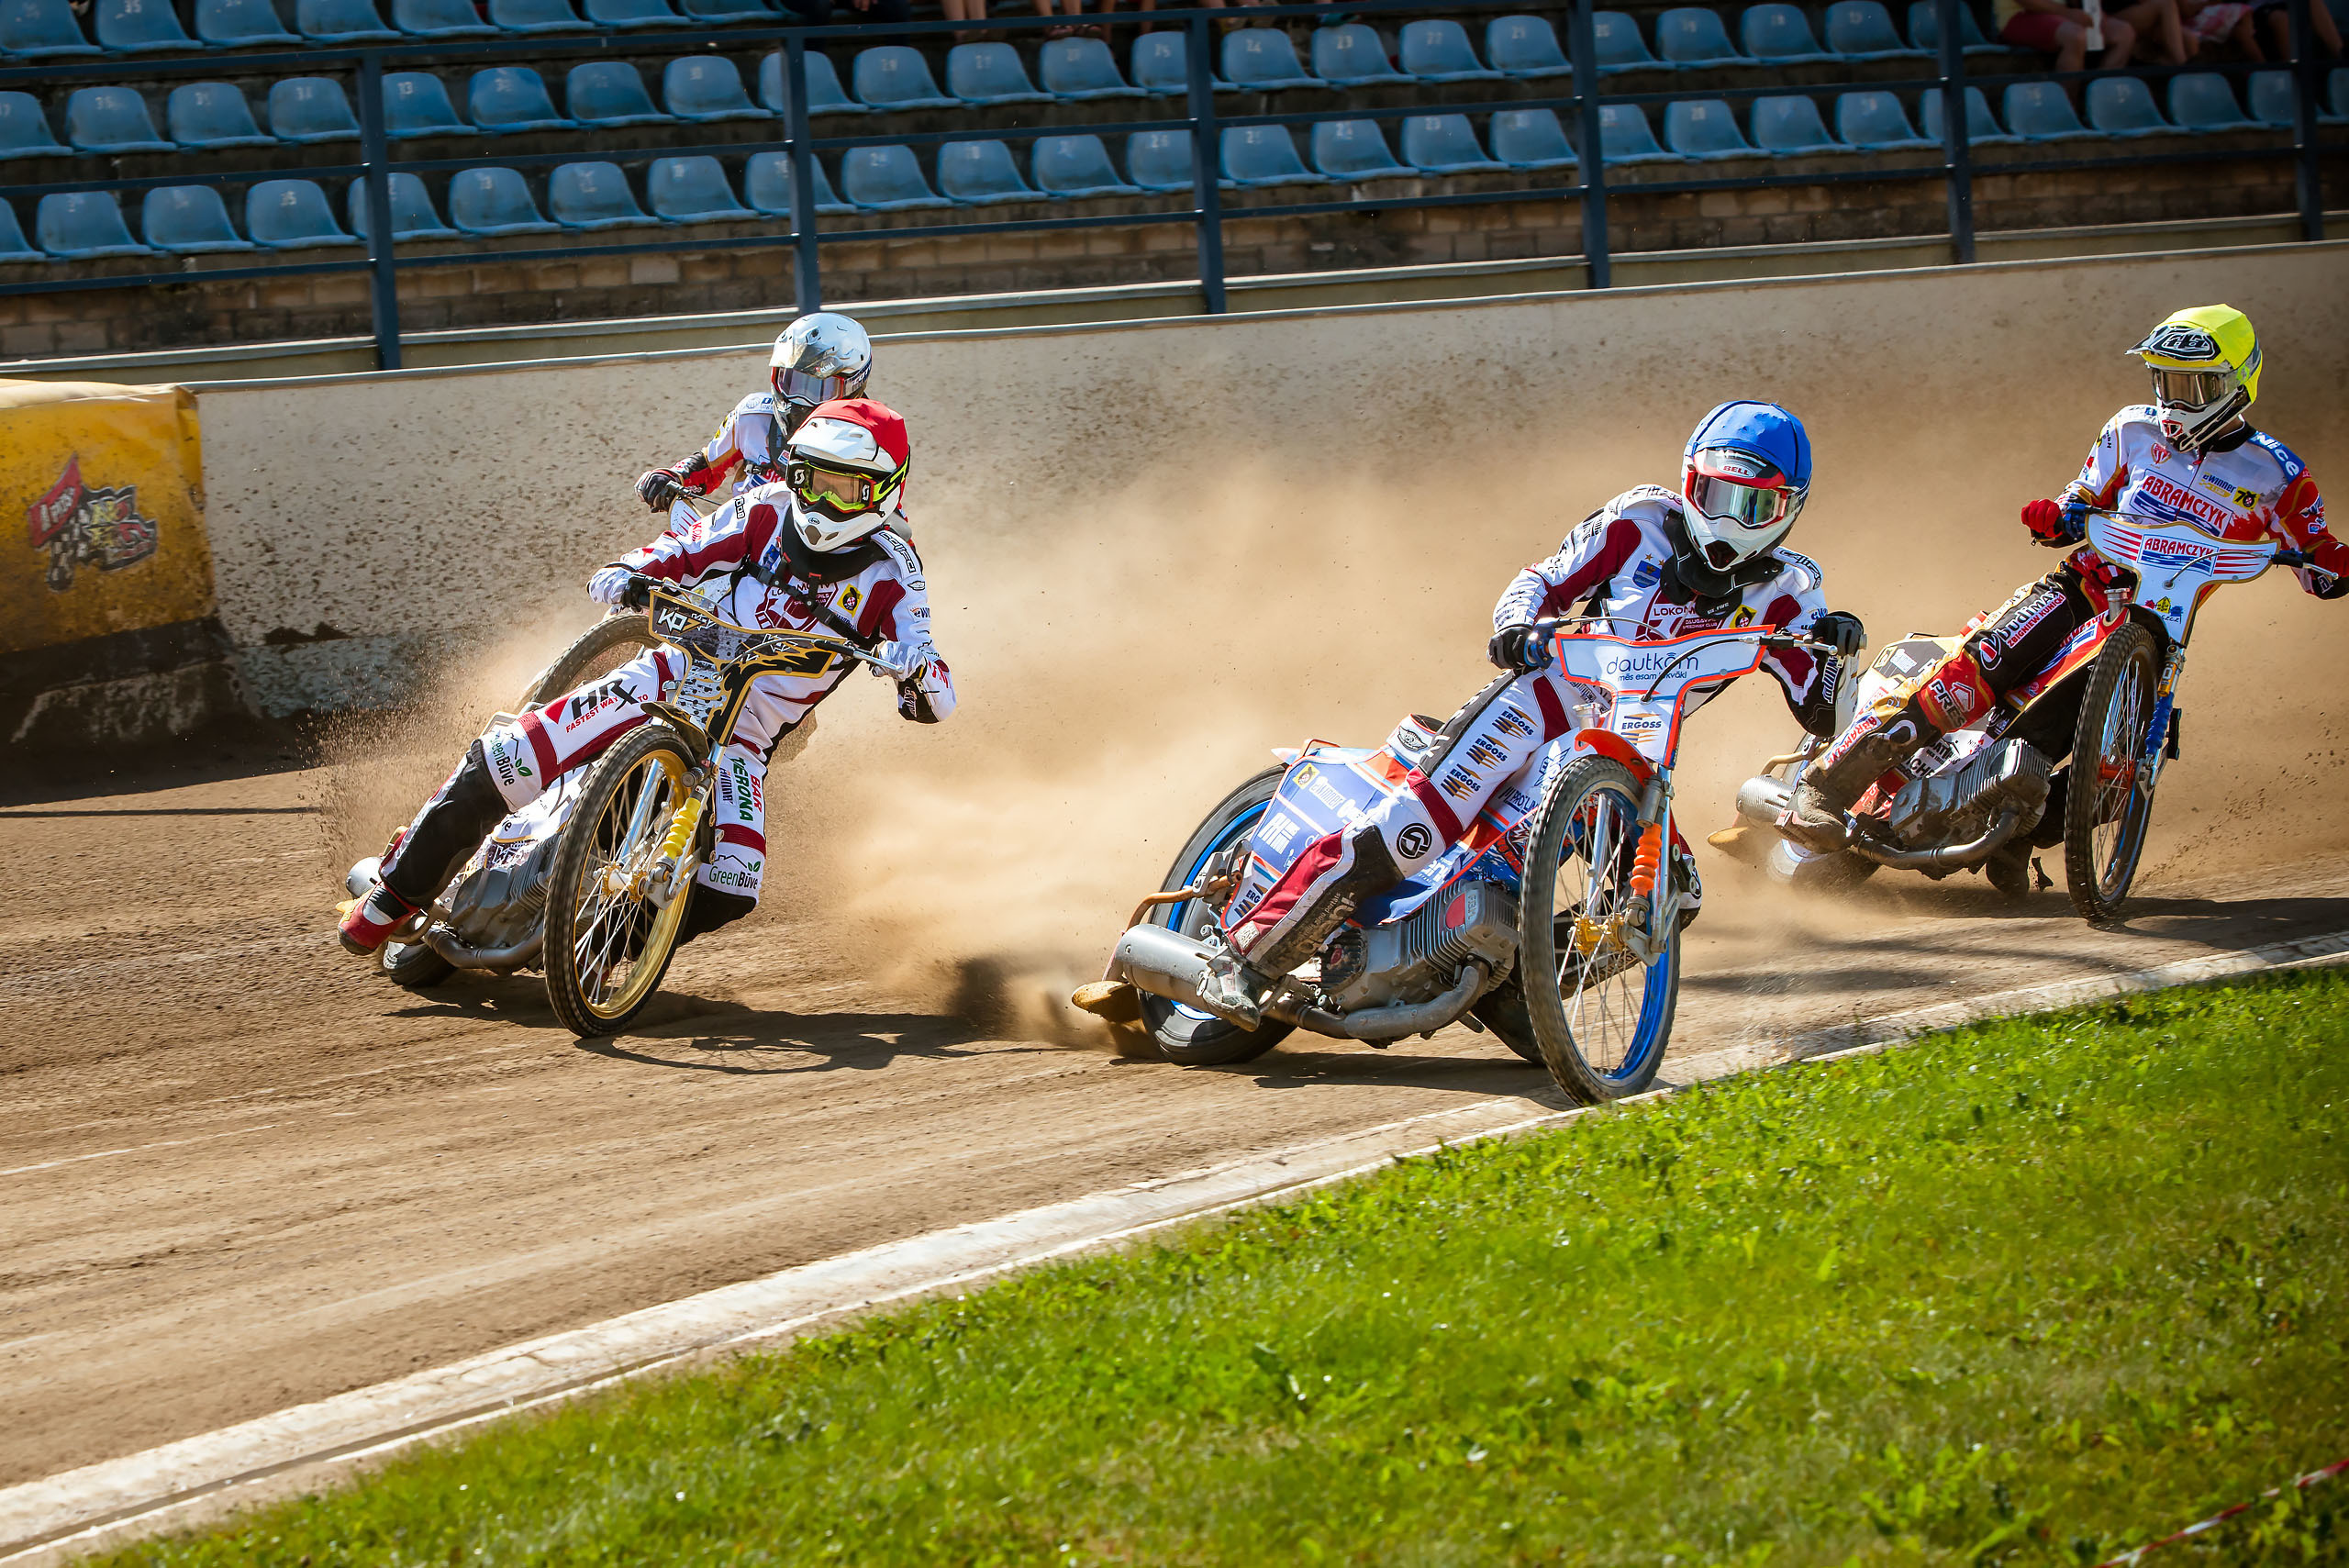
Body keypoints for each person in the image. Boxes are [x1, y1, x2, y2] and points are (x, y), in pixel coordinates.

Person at [1196, 401, 1867, 1027]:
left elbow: (1823, 714)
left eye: (1755, 506)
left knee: (1678, 890)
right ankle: (1243, 956)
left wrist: (1840, 651)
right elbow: (1540, 579)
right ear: (1690, 481)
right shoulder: (1639, 520)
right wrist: (1518, 626)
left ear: (1788, 512)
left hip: (1633, 750)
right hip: (1541, 702)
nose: (1729, 522)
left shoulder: (1793, 590)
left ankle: (1525, 989)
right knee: (1413, 834)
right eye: (1718, 496)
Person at [339, 398, 955, 956]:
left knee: (733, 881)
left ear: (884, 491)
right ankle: (394, 893)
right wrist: (626, 570)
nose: (823, 499)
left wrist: (918, 673)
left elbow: (937, 692)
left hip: (744, 742)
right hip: (671, 675)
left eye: (845, 488)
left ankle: (601, 946)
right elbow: (684, 548)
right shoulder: (765, 508)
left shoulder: (897, 575)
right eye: (813, 479)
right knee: (507, 756)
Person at [1780, 304, 2343, 853]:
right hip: (2077, 590)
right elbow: (2081, 499)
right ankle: (1826, 787)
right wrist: (2056, 515)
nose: (2173, 400)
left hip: (2157, 630)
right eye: (2164, 381)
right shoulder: (2131, 428)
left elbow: (2319, 560)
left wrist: (2335, 563)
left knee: (2109, 772)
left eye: (2192, 387)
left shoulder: (2278, 475)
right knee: (1966, 677)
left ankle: (2010, 839)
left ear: (2237, 385)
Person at [634, 312, 874, 515]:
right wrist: (673, 477)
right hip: (741, 547)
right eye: (791, 381)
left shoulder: (872, 440)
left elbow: (888, 520)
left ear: (853, 385)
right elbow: (708, 466)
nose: (800, 400)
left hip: (816, 556)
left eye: (818, 388)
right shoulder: (753, 416)